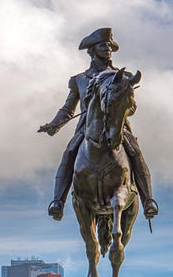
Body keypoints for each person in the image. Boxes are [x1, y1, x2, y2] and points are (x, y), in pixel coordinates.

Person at [38, 28, 158, 221]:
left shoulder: (123, 77)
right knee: (69, 153)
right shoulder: (79, 80)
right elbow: (69, 109)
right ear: (92, 50)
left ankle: (148, 201)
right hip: (87, 128)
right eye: (104, 45)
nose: (108, 49)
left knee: (135, 153)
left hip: (117, 126)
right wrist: (54, 125)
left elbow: (132, 107)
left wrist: (122, 109)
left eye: (110, 46)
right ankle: (58, 202)